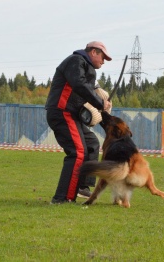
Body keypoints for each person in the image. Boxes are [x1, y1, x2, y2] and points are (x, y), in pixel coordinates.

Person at [45, 41, 112, 204]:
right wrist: (99, 103)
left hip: (71, 114)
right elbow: (80, 84)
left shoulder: (84, 66)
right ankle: (62, 198)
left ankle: (83, 186)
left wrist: (100, 97)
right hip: (62, 112)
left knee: (92, 144)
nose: (103, 62)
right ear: (94, 52)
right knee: (78, 151)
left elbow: (89, 86)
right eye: (103, 57)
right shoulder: (76, 61)